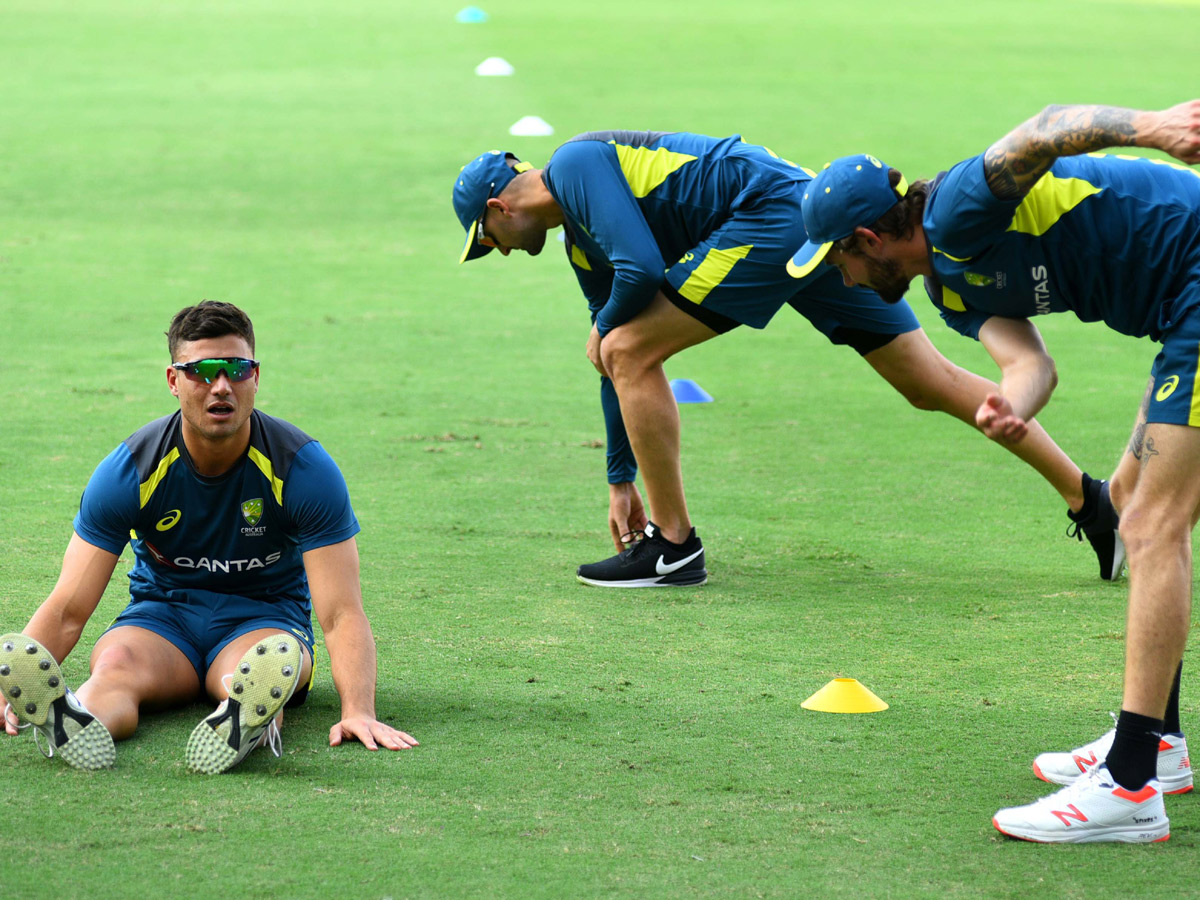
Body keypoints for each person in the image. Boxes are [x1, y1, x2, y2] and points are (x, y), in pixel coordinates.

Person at [789, 99, 1200, 843]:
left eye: (838, 262)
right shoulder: (949, 290)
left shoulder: (958, 212)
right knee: (1133, 496)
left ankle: (1133, 785)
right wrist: (1010, 408)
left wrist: (1154, 128)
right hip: (1182, 313)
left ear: (868, 236)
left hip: (1196, 290)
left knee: (1149, 525)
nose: (843, 280)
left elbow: (1046, 126)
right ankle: (1161, 747)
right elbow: (1030, 365)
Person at [452, 133, 1120, 588]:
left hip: (771, 220)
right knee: (928, 381)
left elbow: (640, 277)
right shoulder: (580, 243)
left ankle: (675, 547)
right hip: (807, 229)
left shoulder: (573, 166)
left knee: (623, 343)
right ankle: (1092, 502)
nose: (501, 251)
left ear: (498, 207)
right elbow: (616, 353)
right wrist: (618, 477)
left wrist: (604, 330)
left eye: (489, 241)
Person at [0, 301, 417, 773]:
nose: (221, 385)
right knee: (114, 663)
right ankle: (75, 719)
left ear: (256, 377)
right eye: (202, 371)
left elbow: (342, 613)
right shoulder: (130, 471)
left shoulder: (302, 468)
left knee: (260, 671)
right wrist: (6, 687)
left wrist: (358, 711)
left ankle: (249, 720)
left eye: (237, 369)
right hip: (162, 619)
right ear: (174, 380)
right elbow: (69, 607)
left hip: (262, 619)